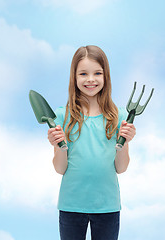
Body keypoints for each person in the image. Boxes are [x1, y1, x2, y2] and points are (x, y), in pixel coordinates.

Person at [47, 45, 136, 240]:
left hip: (107, 206)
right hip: (71, 205)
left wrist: (125, 140)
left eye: (97, 73)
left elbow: (121, 168)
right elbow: (60, 169)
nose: (90, 79)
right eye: (83, 74)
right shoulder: (62, 116)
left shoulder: (119, 117)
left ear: (106, 76)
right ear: (74, 77)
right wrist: (57, 145)